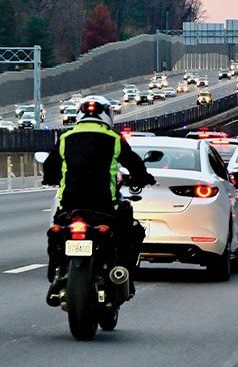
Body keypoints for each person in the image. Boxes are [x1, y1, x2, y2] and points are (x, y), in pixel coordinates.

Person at [42, 96, 155, 306]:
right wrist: (143, 178)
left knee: (56, 233)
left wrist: (50, 179)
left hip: (70, 206)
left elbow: (50, 166)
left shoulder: (66, 137)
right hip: (104, 207)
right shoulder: (113, 138)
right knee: (132, 231)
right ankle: (124, 275)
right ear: (108, 115)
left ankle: (56, 272)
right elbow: (134, 163)